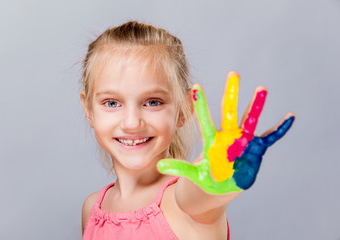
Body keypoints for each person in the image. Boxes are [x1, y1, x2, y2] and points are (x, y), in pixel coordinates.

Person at [79, 20, 295, 240]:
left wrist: (218, 175)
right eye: (112, 103)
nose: (132, 123)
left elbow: (199, 196)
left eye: (153, 102)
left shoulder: (184, 205)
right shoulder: (92, 209)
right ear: (89, 110)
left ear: (183, 109)